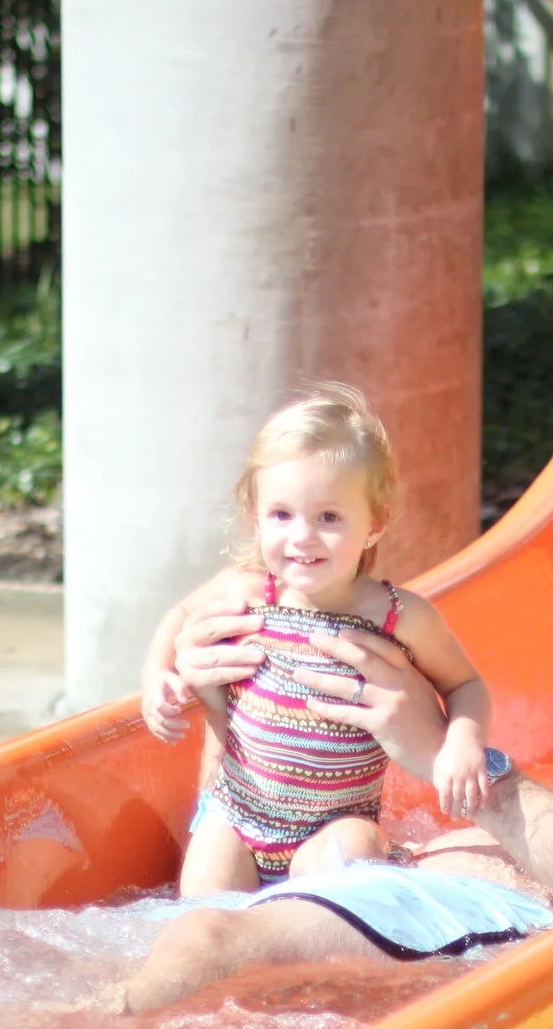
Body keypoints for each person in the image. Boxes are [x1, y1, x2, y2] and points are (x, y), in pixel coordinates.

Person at [118, 597, 553, 1013]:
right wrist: (226, 704)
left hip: (479, 942)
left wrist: (441, 753)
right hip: (375, 936)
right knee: (198, 934)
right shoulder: (538, 815)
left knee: (207, 943)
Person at [138, 384, 494, 897]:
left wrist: (462, 741)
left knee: (351, 860)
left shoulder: (397, 617)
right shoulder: (247, 591)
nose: (302, 536)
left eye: (328, 517)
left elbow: (466, 684)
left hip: (335, 827)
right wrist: (157, 675)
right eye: (281, 515)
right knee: (203, 913)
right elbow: (179, 616)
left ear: (374, 524)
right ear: (256, 518)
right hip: (238, 818)